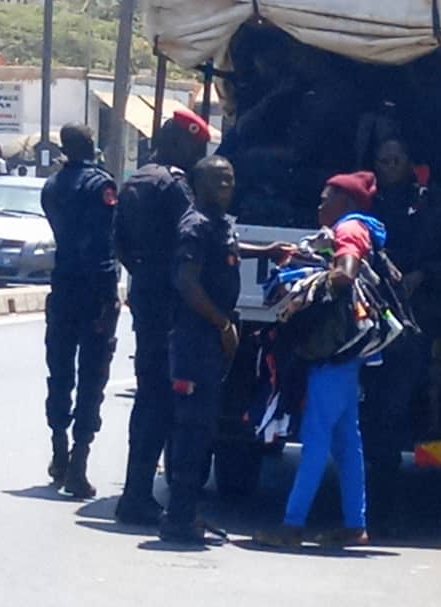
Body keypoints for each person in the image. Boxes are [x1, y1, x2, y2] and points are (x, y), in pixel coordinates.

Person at [160, 156, 293, 545]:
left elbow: (229, 249)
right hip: (194, 339)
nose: (226, 188)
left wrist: (264, 251)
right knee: (191, 429)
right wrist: (222, 324)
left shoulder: (218, 223)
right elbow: (186, 282)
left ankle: (186, 513)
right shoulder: (194, 225)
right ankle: (179, 518)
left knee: (203, 427)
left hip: (210, 342)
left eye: (230, 181)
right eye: (218, 182)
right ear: (200, 185)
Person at [255, 172, 382, 548]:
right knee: (346, 440)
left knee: (315, 439)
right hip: (346, 354)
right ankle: (354, 524)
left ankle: (292, 525)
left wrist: (309, 285)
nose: (320, 205)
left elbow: (344, 275)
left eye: (327, 199)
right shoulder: (356, 228)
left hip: (334, 353)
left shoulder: (350, 230)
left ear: (346, 204)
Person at [361, 138, 441, 528]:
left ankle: (383, 509)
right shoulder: (366, 202)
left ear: (410, 162)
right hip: (368, 323)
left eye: (395, 159)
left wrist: (424, 275)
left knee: (392, 411)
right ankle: (366, 503)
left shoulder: (436, 206)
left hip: (416, 324)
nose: (388, 166)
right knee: (371, 412)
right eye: (382, 160)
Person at [113, 110, 210, 526]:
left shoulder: (135, 179)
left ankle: (135, 491)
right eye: (195, 147)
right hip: (170, 303)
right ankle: (138, 497)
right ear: (177, 141)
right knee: (163, 401)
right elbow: (195, 234)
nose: (198, 156)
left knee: (148, 396)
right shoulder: (173, 185)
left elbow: (118, 243)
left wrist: (145, 277)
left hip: (147, 298)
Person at [41, 124, 121, 498]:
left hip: (63, 287)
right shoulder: (101, 186)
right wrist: (110, 297)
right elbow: (104, 246)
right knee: (92, 376)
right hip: (94, 292)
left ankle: (59, 451)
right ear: (91, 145)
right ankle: (79, 462)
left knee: (59, 372)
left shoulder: (52, 187)